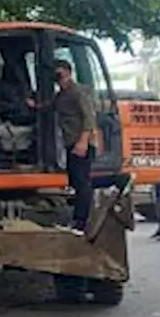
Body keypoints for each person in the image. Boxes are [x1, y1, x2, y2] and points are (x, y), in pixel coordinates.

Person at [53, 59, 98, 230]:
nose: (59, 80)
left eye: (61, 75)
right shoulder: (61, 95)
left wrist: (83, 141)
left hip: (81, 142)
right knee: (74, 179)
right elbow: (50, 107)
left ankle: (81, 222)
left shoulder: (79, 92)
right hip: (69, 141)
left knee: (82, 182)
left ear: (68, 73)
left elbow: (89, 118)